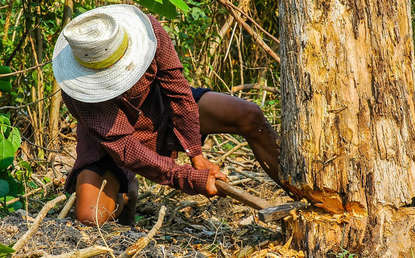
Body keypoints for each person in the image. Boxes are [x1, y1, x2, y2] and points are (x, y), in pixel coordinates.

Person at [53, 4, 280, 226]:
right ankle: (124, 191)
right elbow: (124, 147)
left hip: (162, 112)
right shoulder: (78, 93)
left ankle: (300, 187)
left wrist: (196, 155)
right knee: (89, 216)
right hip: (111, 146)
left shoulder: (150, 34)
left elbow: (180, 94)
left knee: (249, 115)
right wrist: (188, 178)